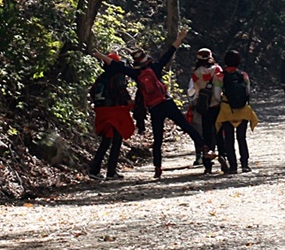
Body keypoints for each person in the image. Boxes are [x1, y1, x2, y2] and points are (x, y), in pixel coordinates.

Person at [133, 27, 213, 179]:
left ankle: (157, 167)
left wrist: (98, 55)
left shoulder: (136, 74)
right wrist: (181, 37)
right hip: (166, 102)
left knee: (158, 139)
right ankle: (204, 148)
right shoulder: (155, 67)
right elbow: (169, 53)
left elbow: (116, 66)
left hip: (154, 108)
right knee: (186, 126)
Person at [86, 49, 138, 179]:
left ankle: (94, 170)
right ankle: (111, 171)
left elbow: (92, 93)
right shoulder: (118, 75)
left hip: (102, 111)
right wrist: (131, 102)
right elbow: (121, 90)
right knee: (117, 139)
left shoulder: (101, 77)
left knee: (106, 140)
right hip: (115, 110)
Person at [216, 49, 259, 173]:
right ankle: (245, 164)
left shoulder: (220, 76)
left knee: (229, 139)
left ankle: (233, 166)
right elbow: (248, 92)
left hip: (227, 110)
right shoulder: (243, 75)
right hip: (243, 110)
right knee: (242, 137)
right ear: (239, 62)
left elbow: (216, 95)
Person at [190, 48, 223, 174]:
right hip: (217, 105)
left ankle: (207, 164)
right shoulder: (217, 70)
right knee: (219, 132)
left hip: (204, 107)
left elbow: (196, 89)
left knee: (207, 133)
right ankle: (223, 155)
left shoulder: (195, 73)